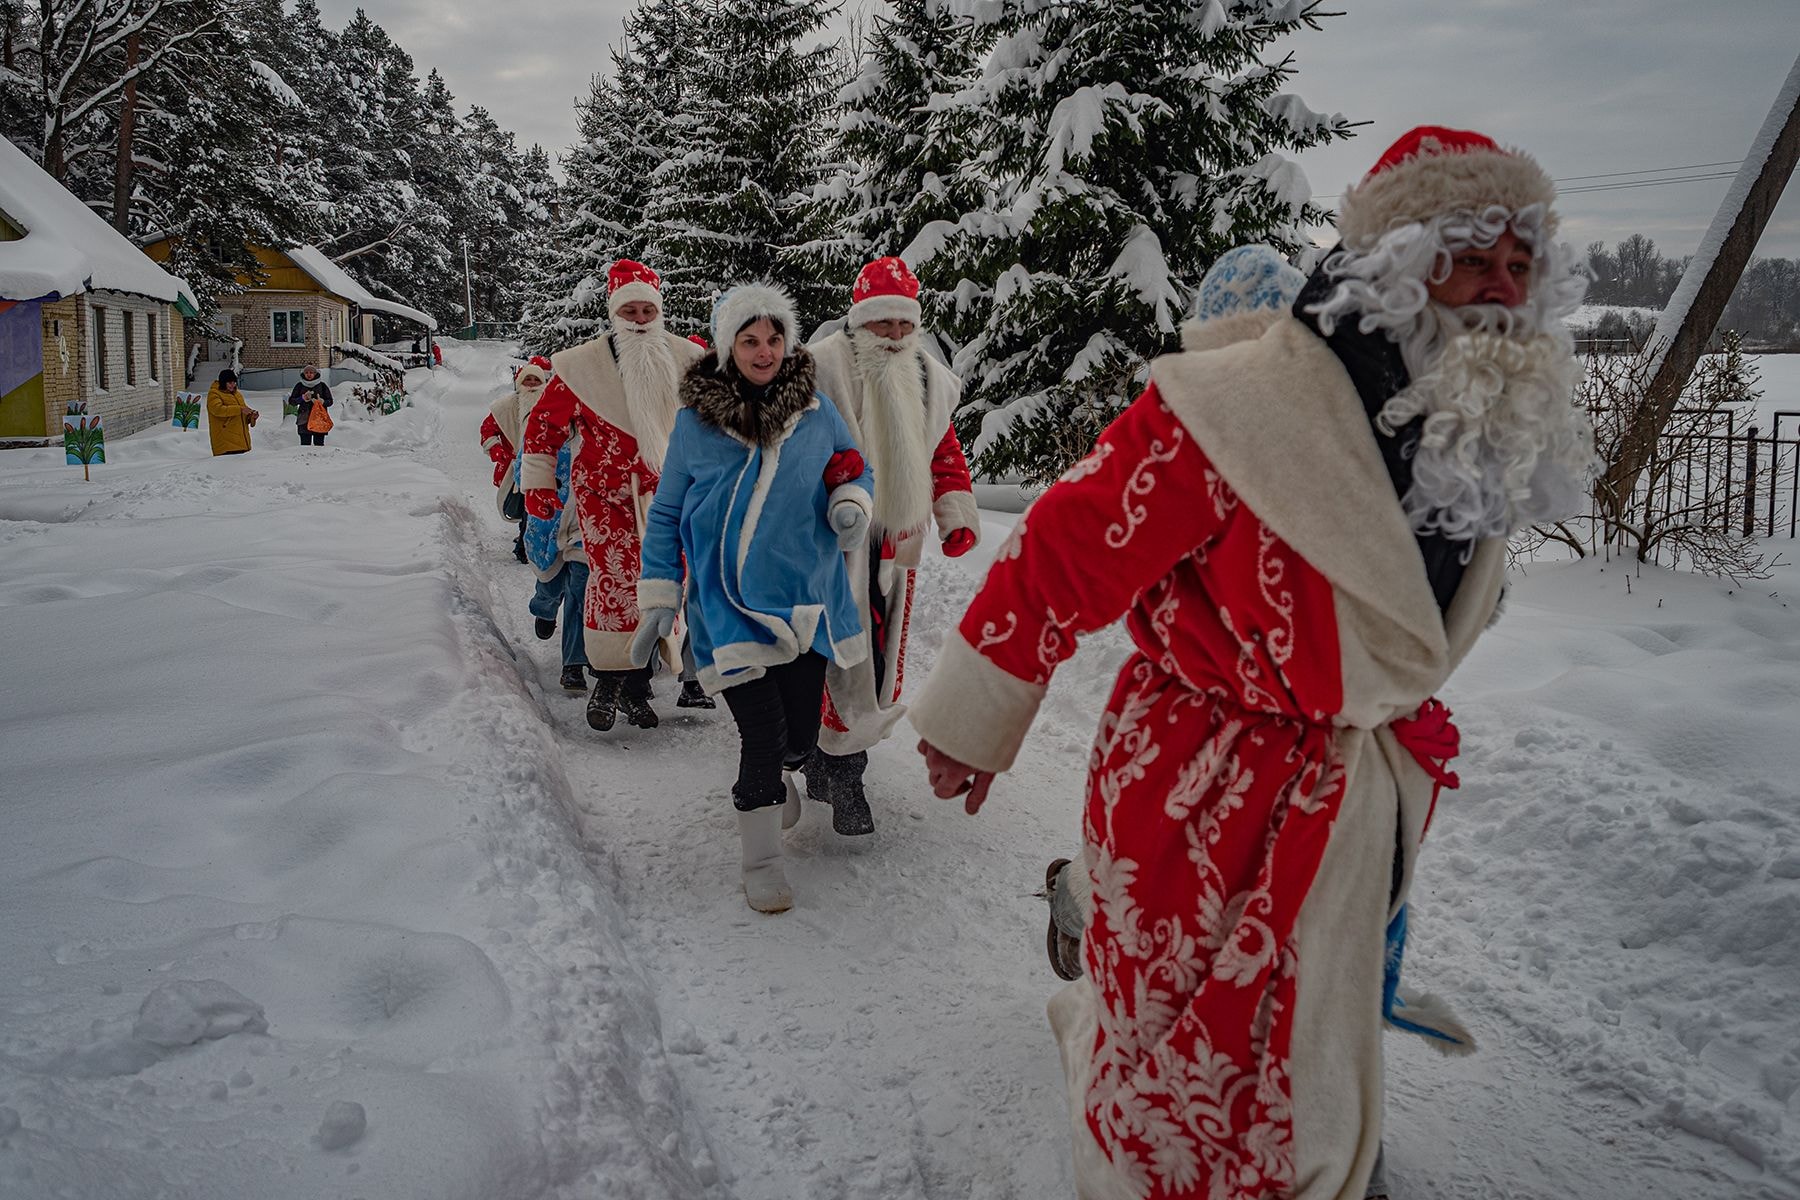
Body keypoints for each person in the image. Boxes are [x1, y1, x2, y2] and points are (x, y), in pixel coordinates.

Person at [912, 126, 1593, 1199]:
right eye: (1471, 257)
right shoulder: (1234, 404)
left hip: (1354, 789)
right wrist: (970, 719)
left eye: (1521, 264)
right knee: (1182, 1064)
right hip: (1199, 785)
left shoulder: (1468, 428)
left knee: (1305, 1032)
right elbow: (1065, 545)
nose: (1500, 289)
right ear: (1398, 261)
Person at [632, 283, 874, 914]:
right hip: (726, 606)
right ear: (727, 346)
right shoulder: (695, 421)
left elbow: (852, 466)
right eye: (749, 340)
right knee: (762, 737)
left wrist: (851, 502)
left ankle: (783, 773)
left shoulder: (817, 410)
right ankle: (762, 860)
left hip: (804, 600)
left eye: (773, 339)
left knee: (797, 736)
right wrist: (660, 591)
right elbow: (665, 514)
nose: (764, 351)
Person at [802, 257, 979, 835]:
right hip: (824, 537)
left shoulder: (929, 377)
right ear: (860, 323)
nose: (896, 337)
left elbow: (944, 453)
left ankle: (844, 764)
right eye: (884, 325)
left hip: (893, 544)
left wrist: (954, 516)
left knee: (873, 656)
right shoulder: (819, 368)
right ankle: (819, 757)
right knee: (820, 649)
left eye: (905, 325)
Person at [520, 261, 706, 732]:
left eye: (647, 309)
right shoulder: (581, 368)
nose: (640, 318)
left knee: (664, 587)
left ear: (659, 312)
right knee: (613, 583)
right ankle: (606, 680)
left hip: (670, 496)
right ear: (614, 314)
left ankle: (637, 685)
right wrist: (539, 484)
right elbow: (543, 427)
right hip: (605, 497)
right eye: (630, 310)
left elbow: (718, 427)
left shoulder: (689, 360)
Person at [521, 427, 593, 692]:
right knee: (551, 584)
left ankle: (573, 665)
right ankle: (544, 609)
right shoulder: (547, 422)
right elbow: (525, 465)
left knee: (580, 589)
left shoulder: (599, 420)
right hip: (550, 518)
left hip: (585, 521)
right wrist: (539, 490)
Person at [483, 356, 551, 563]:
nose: (531, 384)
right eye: (527, 380)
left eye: (536, 380)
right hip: (516, 468)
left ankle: (528, 543)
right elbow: (488, 431)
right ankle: (525, 544)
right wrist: (499, 452)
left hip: (545, 466)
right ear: (520, 381)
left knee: (537, 507)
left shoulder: (552, 405)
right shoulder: (505, 406)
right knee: (525, 506)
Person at [206, 369, 258, 456]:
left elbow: (242, 413)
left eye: (234, 382)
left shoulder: (238, 395)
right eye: (230, 383)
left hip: (241, 443)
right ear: (223, 383)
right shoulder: (214, 394)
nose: (233, 385)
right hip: (225, 444)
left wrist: (251, 416)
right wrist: (239, 409)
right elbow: (218, 410)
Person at [289, 365, 334, 446]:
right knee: (305, 445)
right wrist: (302, 398)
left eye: (311, 372)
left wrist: (322, 402)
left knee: (319, 445)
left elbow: (330, 401)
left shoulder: (322, 386)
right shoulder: (299, 386)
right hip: (304, 420)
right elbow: (292, 401)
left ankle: (320, 459)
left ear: (315, 374)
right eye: (306, 373)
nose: (309, 374)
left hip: (319, 419)